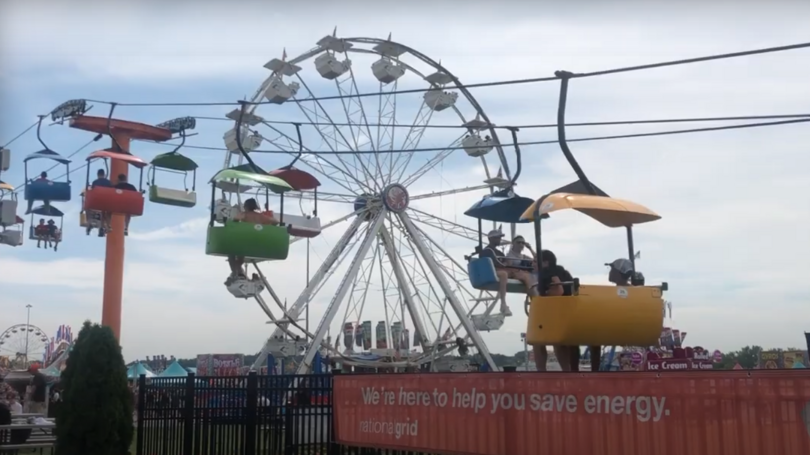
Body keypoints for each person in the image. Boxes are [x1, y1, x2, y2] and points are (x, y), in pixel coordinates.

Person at [537, 249, 580, 371]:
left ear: (545, 262)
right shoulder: (564, 272)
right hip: (569, 312)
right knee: (560, 344)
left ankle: (541, 372)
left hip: (554, 312)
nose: (533, 264)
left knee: (537, 340)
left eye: (535, 261)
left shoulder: (546, 273)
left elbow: (558, 290)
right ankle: (568, 370)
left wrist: (544, 295)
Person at [479, 229, 538, 317]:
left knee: (527, 275)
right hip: (491, 271)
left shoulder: (499, 252)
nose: (500, 239)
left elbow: (504, 263)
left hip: (504, 270)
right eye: (498, 237)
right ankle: (503, 303)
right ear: (491, 239)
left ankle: (536, 298)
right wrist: (508, 265)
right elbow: (496, 264)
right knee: (504, 274)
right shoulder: (487, 251)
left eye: (499, 237)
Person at [227, 198, 277, 280]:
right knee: (240, 254)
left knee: (231, 253)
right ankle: (238, 271)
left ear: (246, 206)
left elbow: (235, 219)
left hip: (245, 242)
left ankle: (235, 272)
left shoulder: (245, 214)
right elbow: (276, 221)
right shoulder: (261, 216)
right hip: (258, 243)